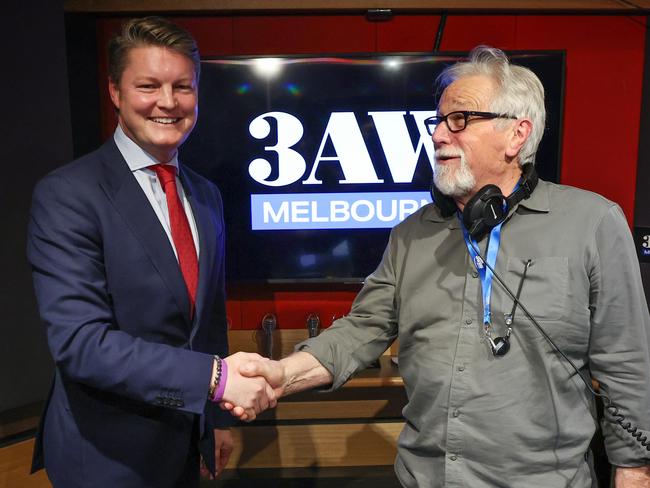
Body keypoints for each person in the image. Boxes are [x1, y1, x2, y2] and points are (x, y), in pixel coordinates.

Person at [227, 46, 650, 487]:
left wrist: (634, 470)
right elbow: (361, 330)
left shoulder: (593, 223)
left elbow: (627, 364)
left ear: (516, 134)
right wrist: (281, 375)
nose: (439, 135)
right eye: (438, 121)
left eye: (460, 120)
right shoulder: (411, 235)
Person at [27, 16, 274, 487]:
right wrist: (217, 380)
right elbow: (81, 343)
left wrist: (214, 420)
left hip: (186, 442)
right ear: (116, 93)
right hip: (103, 455)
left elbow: (209, 321)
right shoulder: (68, 194)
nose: (168, 102)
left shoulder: (205, 195)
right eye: (148, 85)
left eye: (183, 86)